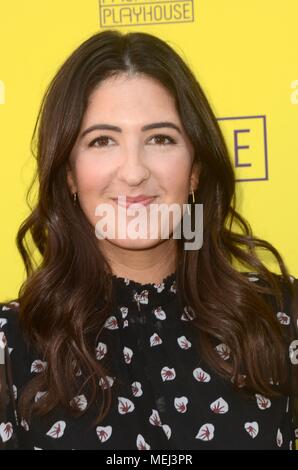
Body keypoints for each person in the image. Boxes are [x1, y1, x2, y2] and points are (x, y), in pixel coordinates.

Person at [0, 29, 297, 450]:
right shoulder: (10, 346)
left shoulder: (279, 320)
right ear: (69, 173)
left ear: (195, 169)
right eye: (102, 141)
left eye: (160, 139)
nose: (134, 171)